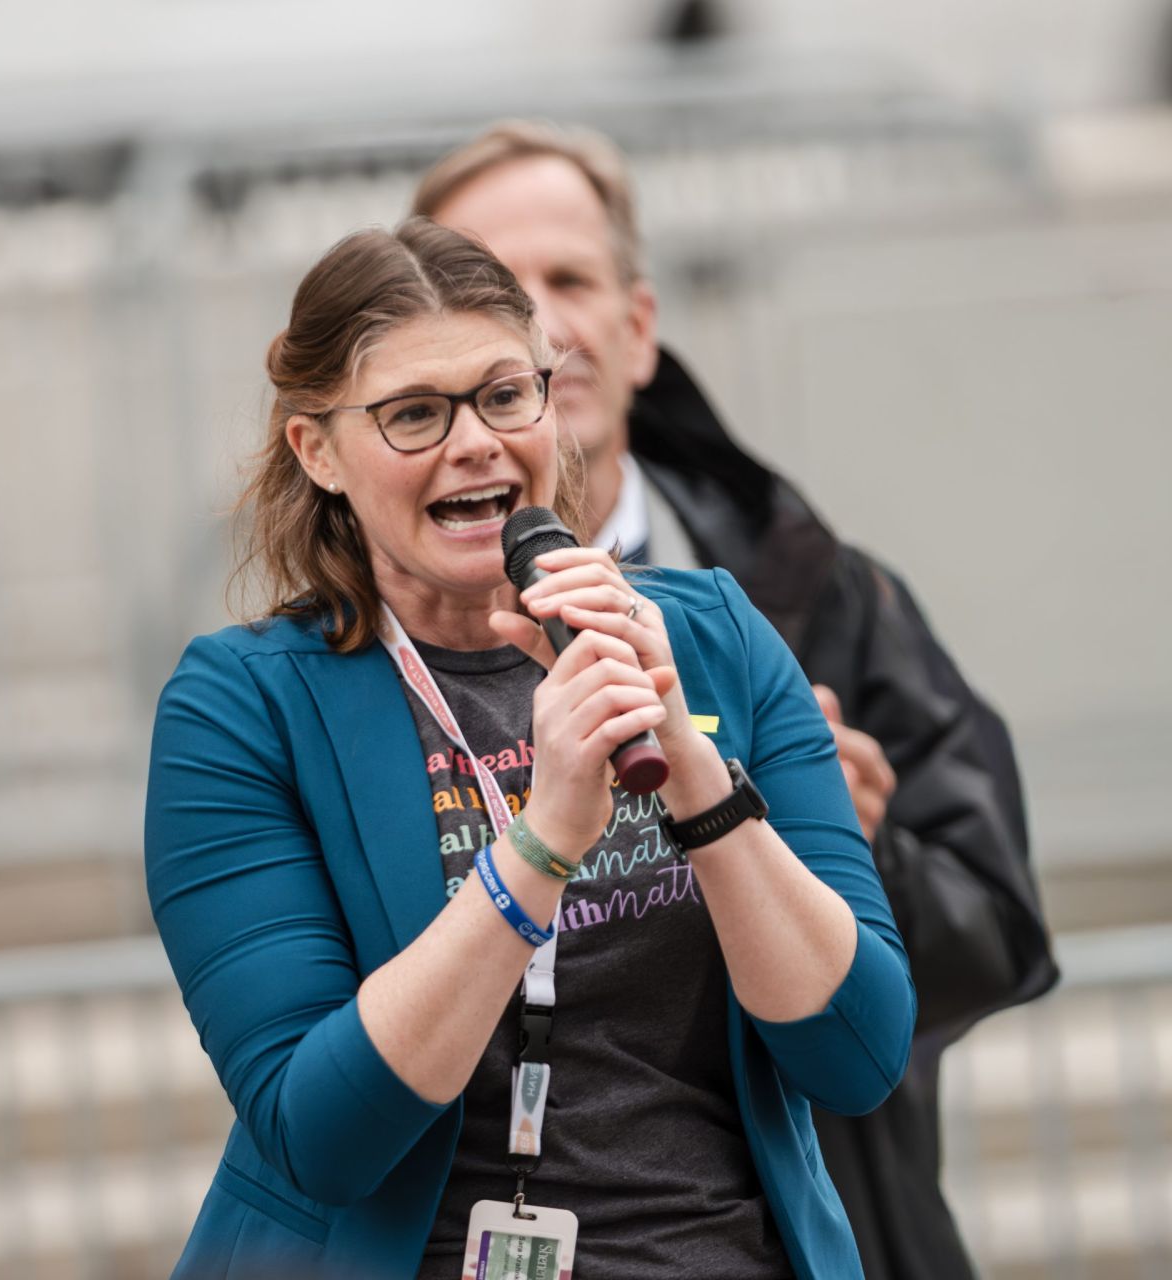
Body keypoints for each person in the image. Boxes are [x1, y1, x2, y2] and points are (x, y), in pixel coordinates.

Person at [146, 218, 915, 1280]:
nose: (474, 442)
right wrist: (541, 842)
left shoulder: (713, 636)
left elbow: (858, 1052)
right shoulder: (243, 706)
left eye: (506, 395)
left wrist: (691, 764)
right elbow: (320, 1134)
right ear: (317, 451)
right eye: (414, 413)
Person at [413, 121, 1059, 1280]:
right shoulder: (356, 656)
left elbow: (998, 931)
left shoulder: (814, 591)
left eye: (568, 279)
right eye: (492, 292)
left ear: (638, 326)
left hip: (818, 1215)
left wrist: (848, 843)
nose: (540, 326)